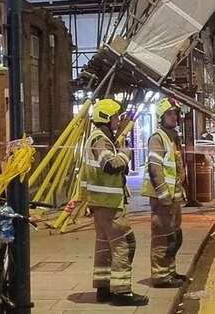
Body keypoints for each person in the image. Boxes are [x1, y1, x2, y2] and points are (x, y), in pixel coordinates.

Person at [77, 99, 148, 306]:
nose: (118, 120)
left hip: (100, 202)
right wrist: (125, 155)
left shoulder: (100, 138)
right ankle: (121, 292)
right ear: (107, 118)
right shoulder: (100, 140)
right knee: (124, 243)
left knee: (104, 246)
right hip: (108, 203)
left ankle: (103, 288)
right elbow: (110, 165)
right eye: (116, 117)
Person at [143, 97, 188, 288]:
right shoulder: (157, 138)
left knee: (174, 237)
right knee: (162, 237)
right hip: (163, 200)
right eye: (170, 114)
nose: (174, 117)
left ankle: (170, 271)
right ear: (161, 117)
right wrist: (163, 196)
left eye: (175, 114)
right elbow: (156, 169)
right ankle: (161, 277)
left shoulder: (173, 138)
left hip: (173, 199)